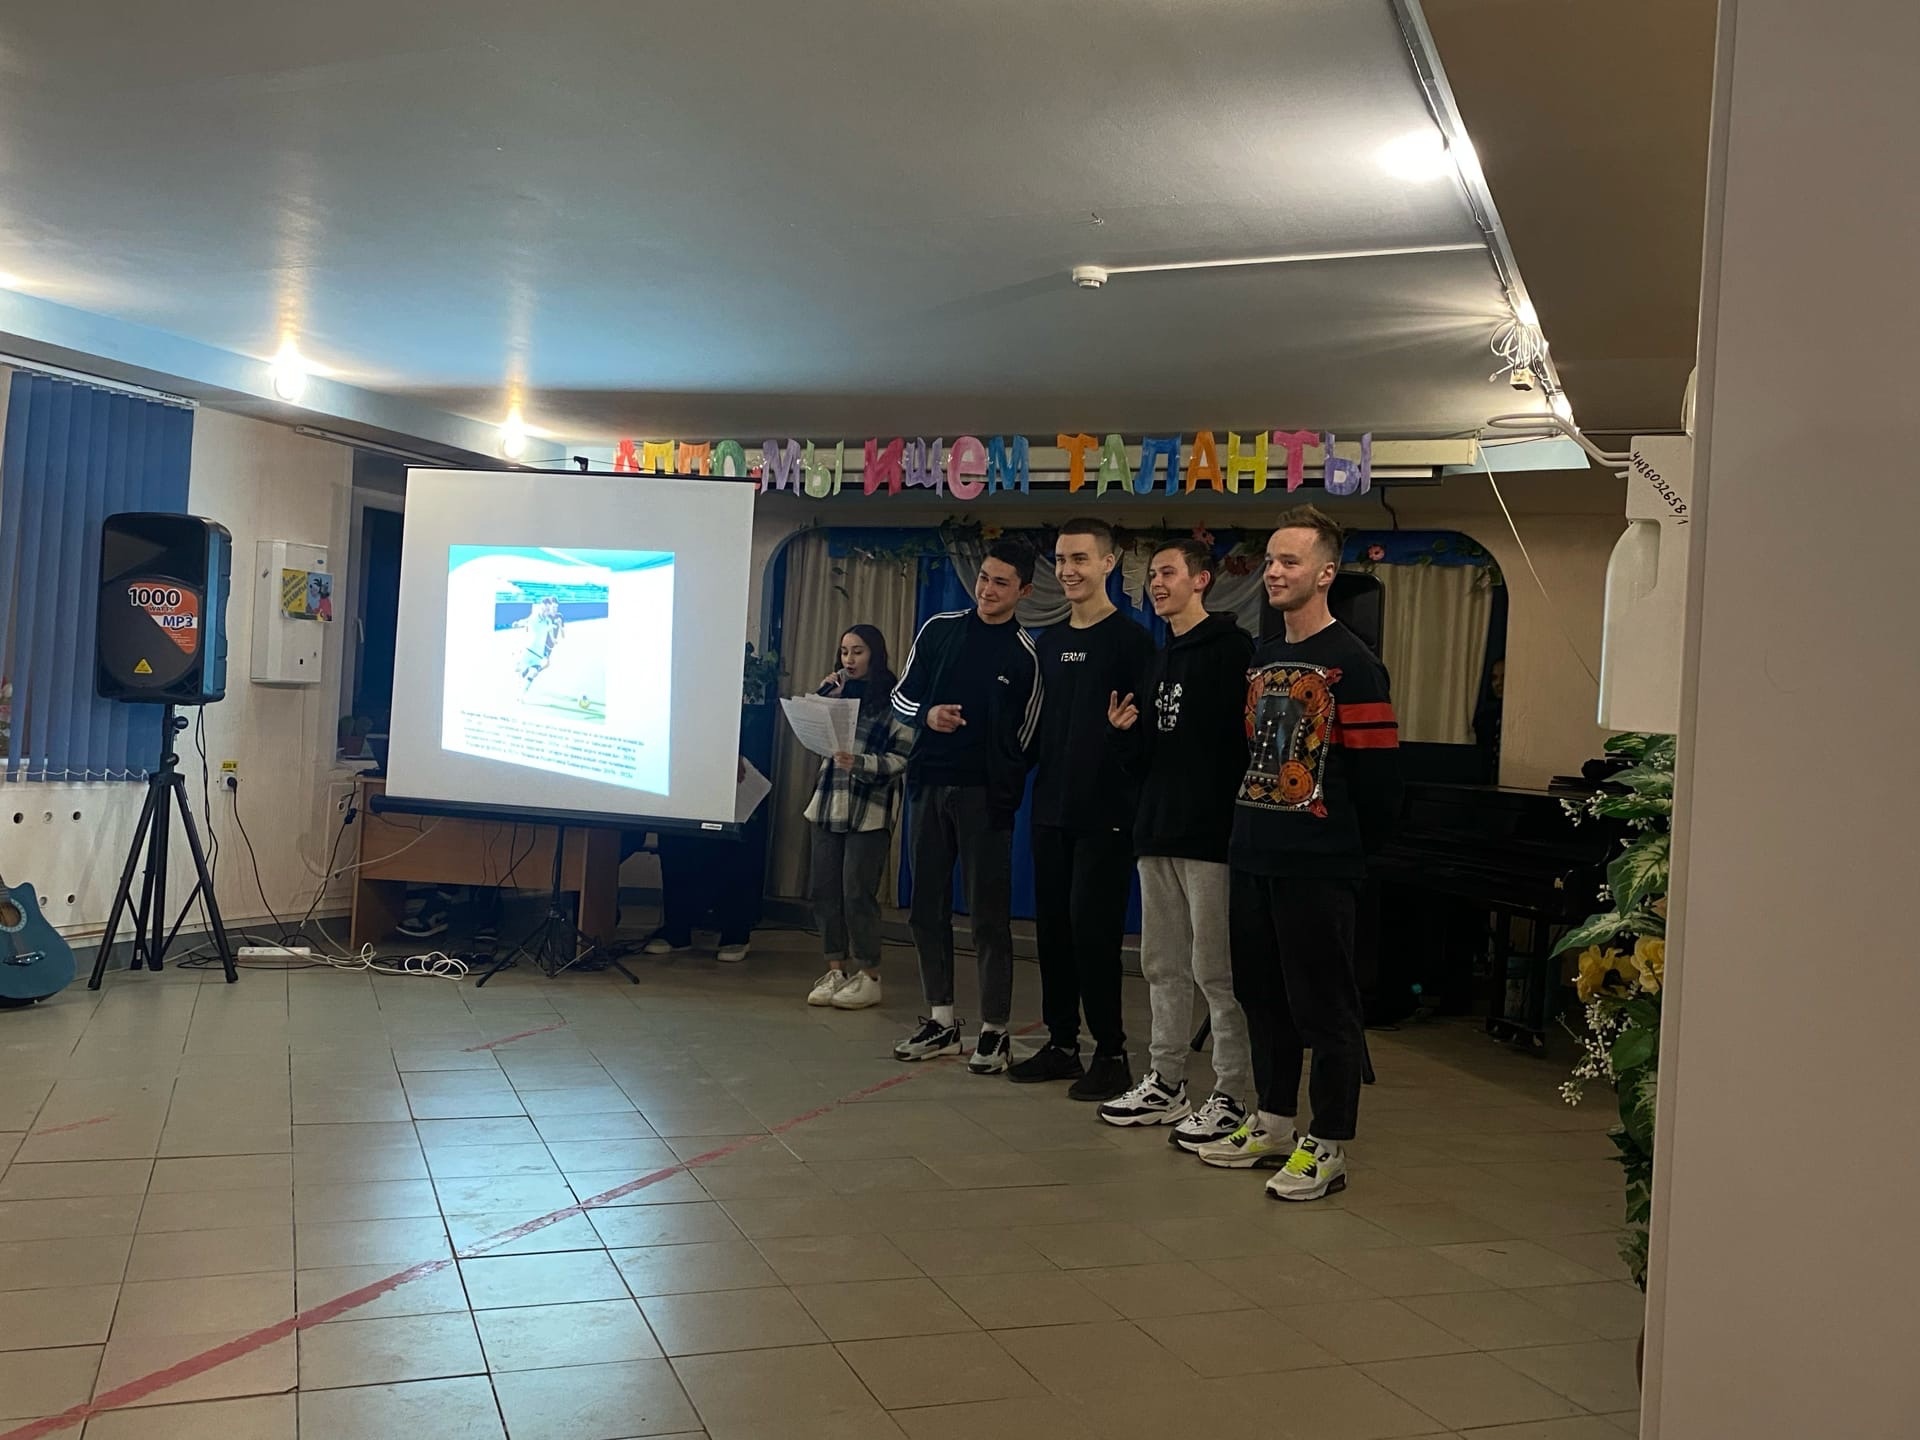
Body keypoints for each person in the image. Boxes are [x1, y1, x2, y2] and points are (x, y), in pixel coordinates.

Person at [1199, 505, 1400, 1201]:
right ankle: (1274, 1120)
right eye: (1270, 561)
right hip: (1255, 851)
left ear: (1325, 572)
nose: (1275, 573)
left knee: (1325, 1006)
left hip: (1318, 861)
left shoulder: (1355, 665)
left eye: (1290, 562)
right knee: (1262, 996)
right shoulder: (1261, 657)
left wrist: (1342, 850)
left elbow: (1379, 781)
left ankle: (1329, 1141)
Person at [1097, 539, 1258, 1149]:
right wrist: (1121, 736)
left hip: (1211, 837)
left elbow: (1244, 747)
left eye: (1168, 573)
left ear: (1201, 579)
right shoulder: (1158, 657)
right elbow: (1146, 759)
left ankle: (1232, 1092)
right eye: (1153, 576)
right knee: (1161, 963)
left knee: (1216, 970)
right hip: (1155, 831)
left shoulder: (1233, 651)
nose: (1157, 583)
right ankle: (1166, 1082)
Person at [1008, 518, 1153, 1102]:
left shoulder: (1132, 642)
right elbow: (1033, 730)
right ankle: (1062, 1043)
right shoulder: (1046, 643)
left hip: (1106, 814)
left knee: (1094, 935)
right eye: (1062, 560)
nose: (1068, 571)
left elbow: (1143, 738)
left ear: (1108, 564)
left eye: (1080, 559)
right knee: (1053, 933)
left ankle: (1111, 1053)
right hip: (1050, 809)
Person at [889, 539, 1043, 1072]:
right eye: (983, 578)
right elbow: (902, 696)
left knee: (988, 916)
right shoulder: (939, 629)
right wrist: (927, 715)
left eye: (1001, 582)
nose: (987, 590)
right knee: (925, 908)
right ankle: (941, 1019)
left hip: (985, 798)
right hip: (929, 785)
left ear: (1024, 591)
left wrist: (1001, 780)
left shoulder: (1025, 654)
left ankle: (995, 1029)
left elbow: (1030, 735)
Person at [804, 624, 913, 1010]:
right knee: (825, 890)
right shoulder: (837, 694)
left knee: (856, 893)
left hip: (869, 808)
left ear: (875, 655)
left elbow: (902, 757)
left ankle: (869, 974)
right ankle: (836, 969)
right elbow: (815, 741)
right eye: (844, 652)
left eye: (858, 651)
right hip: (828, 802)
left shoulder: (896, 700)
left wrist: (862, 763)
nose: (849, 660)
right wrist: (823, 702)